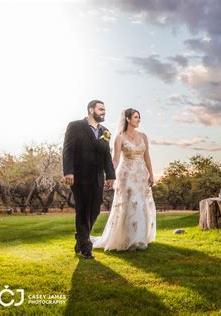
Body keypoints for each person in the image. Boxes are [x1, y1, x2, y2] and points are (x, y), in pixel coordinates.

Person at [91, 108, 156, 251]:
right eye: (136, 117)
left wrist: (151, 174)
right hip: (126, 175)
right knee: (129, 205)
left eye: (139, 117)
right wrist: (110, 175)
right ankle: (127, 239)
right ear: (127, 118)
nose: (138, 120)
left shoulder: (143, 136)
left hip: (141, 175)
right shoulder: (120, 137)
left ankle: (140, 237)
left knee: (141, 204)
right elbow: (115, 159)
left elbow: (147, 156)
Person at [62, 100, 116, 259]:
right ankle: (86, 247)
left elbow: (107, 155)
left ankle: (81, 237)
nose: (103, 112)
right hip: (79, 175)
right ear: (91, 110)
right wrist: (68, 171)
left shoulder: (105, 131)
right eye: (100, 109)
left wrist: (111, 175)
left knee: (95, 210)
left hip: (98, 177)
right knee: (83, 209)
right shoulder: (75, 126)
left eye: (104, 110)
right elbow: (68, 150)